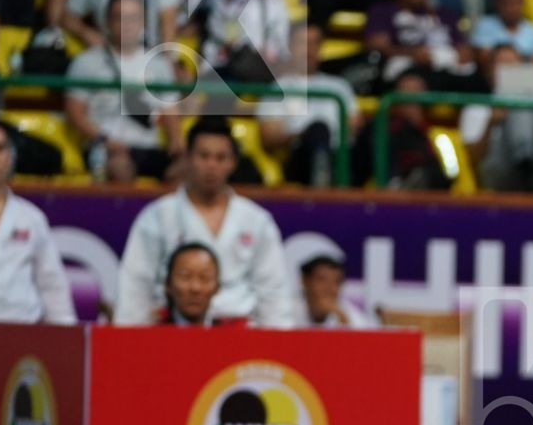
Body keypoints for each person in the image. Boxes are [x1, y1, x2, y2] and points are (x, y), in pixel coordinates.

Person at [115, 117, 295, 327]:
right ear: (188, 158)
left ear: (233, 163)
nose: (211, 165)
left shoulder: (256, 220)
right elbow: (136, 284)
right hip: (171, 330)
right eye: (204, 156)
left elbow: (272, 291)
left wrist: (278, 342)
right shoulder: (157, 216)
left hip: (239, 331)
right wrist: (127, 336)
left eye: (220, 158)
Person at [63, 0, 184, 183]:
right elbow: (74, 112)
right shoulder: (86, 62)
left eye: (133, 18)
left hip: (148, 148)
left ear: (143, 22)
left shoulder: (159, 64)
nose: (127, 24)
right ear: (107, 22)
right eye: (119, 17)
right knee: (119, 167)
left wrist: (177, 146)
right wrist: (104, 140)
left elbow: (170, 111)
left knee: (185, 171)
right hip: (106, 149)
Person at [0, 119, 75, 324]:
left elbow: (51, 284)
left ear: (10, 157)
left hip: (21, 332)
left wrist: (66, 338)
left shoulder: (31, 217)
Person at [461, 44, 533, 192]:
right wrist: (490, 124)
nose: (511, 70)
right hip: (501, 175)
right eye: (504, 64)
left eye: (514, 64)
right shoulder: (477, 107)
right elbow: (473, 159)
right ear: (490, 70)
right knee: (519, 105)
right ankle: (525, 160)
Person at [259, 22, 362, 187]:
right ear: (290, 47)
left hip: (340, 156)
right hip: (301, 157)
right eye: (303, 43)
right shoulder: (279, 88)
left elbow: (354, 125)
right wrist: (303, 134)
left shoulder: (339, 85)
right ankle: (321, 173)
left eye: (315, 43)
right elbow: (269, 136)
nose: (310, 49)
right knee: (318, 130)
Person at [154, 241, 228, 326]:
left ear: (217, 287)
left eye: (204, 278)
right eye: (185, 277)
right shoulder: (152, 335)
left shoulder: (231, 335)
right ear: (168, 284)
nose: (195, 288)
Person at [296, 253, 378, 327]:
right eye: (322, 280)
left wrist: (343, 321)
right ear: (304, 281)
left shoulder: (349, 314)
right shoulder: (287, 308)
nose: (330, 288)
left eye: (336, 282)